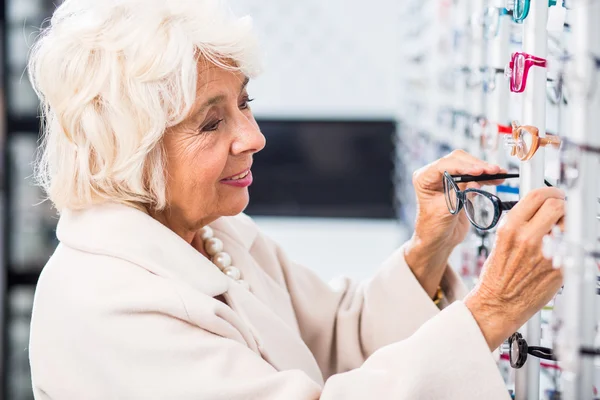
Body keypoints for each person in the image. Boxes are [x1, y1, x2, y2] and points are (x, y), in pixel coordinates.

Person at [27, 0, 565, 398]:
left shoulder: (218, 235)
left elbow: (333, 341)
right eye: (212, 122)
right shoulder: (103, 305)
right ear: (129, 147)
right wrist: (491, 311)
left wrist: (428, 248)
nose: (254, 136)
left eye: (245, 102)